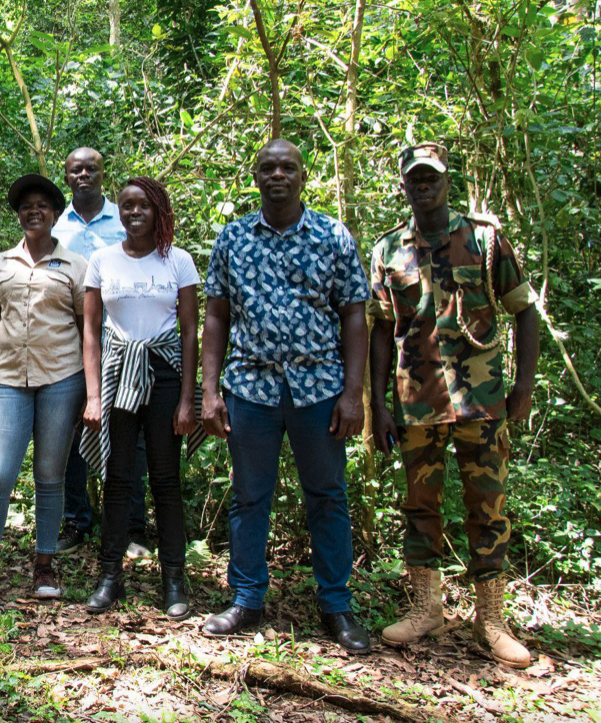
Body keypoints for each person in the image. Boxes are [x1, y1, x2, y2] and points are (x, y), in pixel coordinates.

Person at [369, 143, 539, 669]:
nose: (424, 186)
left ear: (447, 182)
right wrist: (377, 403)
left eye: (432, 178)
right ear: (404, 185)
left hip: (483, 403)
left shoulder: (484, 241)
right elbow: (380, 330)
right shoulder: (389, 250)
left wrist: (524, 388)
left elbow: (525, 312)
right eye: (415, 179)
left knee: (486, 508)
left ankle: (491, 620)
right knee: (420, 507)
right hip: (416, 403)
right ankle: (427, 609)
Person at [199, 139, 370, 654]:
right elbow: (215, 317)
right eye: (268, 167)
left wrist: (354, 395)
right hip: (251, 387)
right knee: (250, 496)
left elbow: (355, 315)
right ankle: (247, 599)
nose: (278, 174)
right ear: (256, 176)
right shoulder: (233, 238)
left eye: (287, 167)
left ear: (302, 175)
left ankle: (336, 606)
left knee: (327, 496)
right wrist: (210, 392)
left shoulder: (331, 235)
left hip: (319, 387)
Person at [0, 175, 87, 604]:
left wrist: (91, 392)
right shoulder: (1, 264)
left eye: (42, 206)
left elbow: (88, 332)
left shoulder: (75, 267)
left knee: (50, 475)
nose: (34, 211)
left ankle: (44, 567)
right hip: (9, 381)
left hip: (62, 379)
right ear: (19, 214)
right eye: (26, 206)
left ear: (55, 214)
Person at [77, 177, 200, 618]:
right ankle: (110, 577)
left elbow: (189, 332)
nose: (133, 213)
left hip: (165, 374)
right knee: (117, 476)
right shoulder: (102, 260)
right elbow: (91, 331)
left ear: (158, 211)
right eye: (126, 206)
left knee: (166, 479)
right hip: (117, 375)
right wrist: (93, 396)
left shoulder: (178, 261)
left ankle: (173, 579)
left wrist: (189, 398)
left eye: (143, 206)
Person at [52, 147, 152, 557]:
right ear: (67, 176)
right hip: (74, 344)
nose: (84, 175)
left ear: (103, 172)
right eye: (76, 170)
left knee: (134, 435)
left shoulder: (127, 215)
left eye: (91, 168)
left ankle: (132, 525)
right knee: (74, 432)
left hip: (128, 342)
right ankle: (77, 519)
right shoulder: (57, 226)